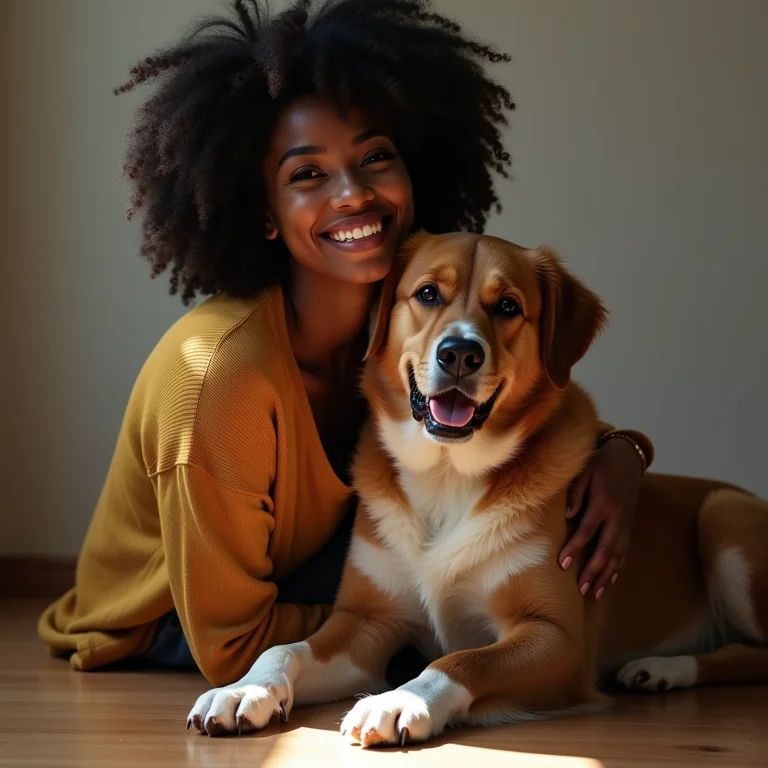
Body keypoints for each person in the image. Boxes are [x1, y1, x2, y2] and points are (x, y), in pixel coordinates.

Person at [38, 0, 654, 687]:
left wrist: (622, 454)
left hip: (301, 564)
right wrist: (410, 625)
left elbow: (531, 398)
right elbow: (233, 648)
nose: (353, 193)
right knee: (448, 595)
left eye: (375, 157)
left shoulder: (407, 312)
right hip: (174, 617)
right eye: (308, 174)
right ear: (264, 211)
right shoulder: (217, 377)